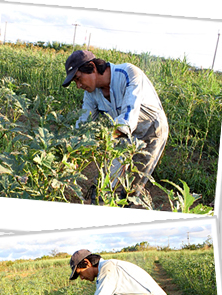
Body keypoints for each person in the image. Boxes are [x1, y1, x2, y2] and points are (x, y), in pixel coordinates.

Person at [62, 50, 169, 201]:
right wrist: (69, 150)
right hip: (121, 132)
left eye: (79, 79)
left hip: (151, 131)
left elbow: (127, 119)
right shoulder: (91, 93)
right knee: (105, 181)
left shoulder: (129, 73)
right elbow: (83, 124)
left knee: (131, 185)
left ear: (92, 67)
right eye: (75, 82)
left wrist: (102, 141)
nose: (78, 85)